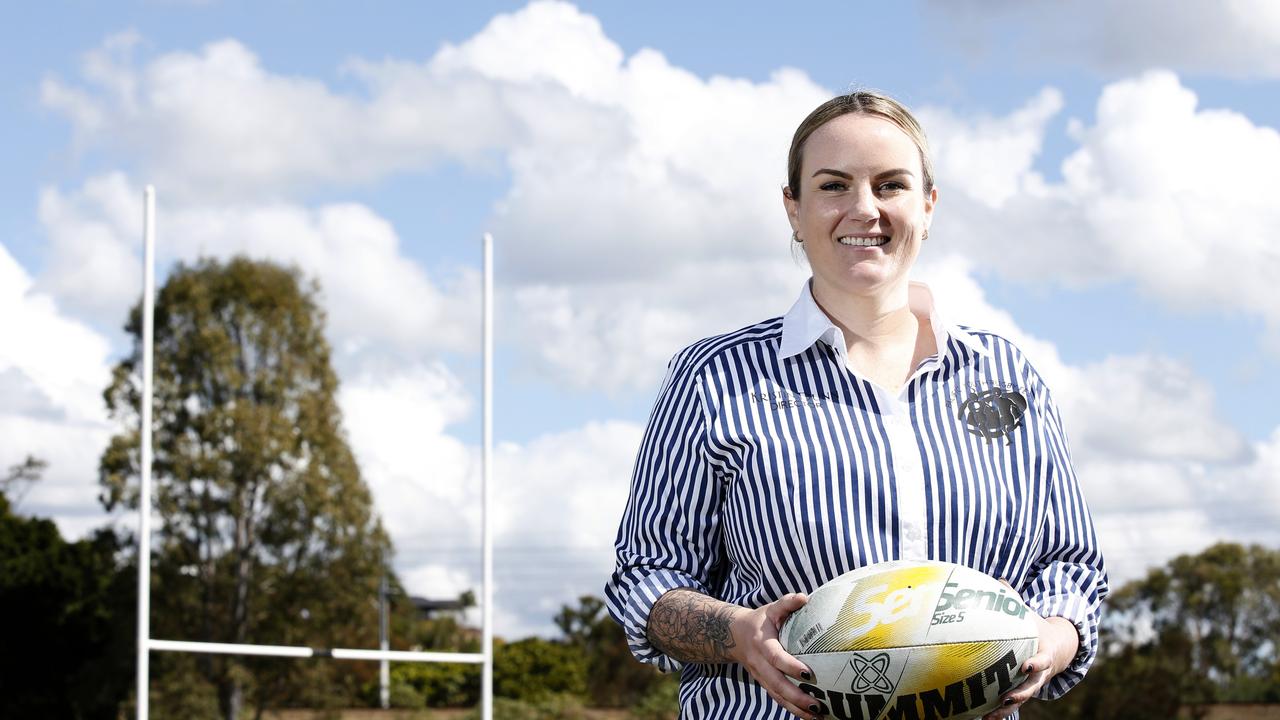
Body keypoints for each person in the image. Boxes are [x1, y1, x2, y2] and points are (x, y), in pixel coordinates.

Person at [604, 90, 1108, 720]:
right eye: (834, 185)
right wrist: (739, 632)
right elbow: (647, 577)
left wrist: (1051, 640)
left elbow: (1072, 565)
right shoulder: (714, 377)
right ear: (793, 208)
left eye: (891, 184)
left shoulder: (1007, 375)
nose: (863, 208)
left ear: (928, 204)